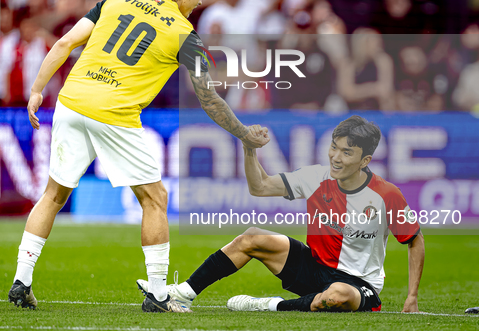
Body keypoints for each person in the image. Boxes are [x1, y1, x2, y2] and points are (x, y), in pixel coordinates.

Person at [7, 0, 268, 313]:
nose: (200, 3)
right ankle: (159, 294)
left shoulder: (115, 0)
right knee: (155, 199)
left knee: (53, 194)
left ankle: (22, 280)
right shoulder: (184, 34)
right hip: (113, 113)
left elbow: (64, 43)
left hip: (71, 101)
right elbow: (208, 97)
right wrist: (242, 133)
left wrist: (37, 90)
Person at [137, 116, 425, 313]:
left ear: (365, 160)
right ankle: (182, 293)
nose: (336, 157)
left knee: (336, 297)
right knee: (252, 237)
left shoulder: (385, 195)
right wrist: (249, 150)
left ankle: (268, 305)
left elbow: (414, 240)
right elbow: (259, 187)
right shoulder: (316, 177)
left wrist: (411, 296)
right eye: (334, 148)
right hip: (314, 268)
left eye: (346, 153)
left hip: (357, 284)